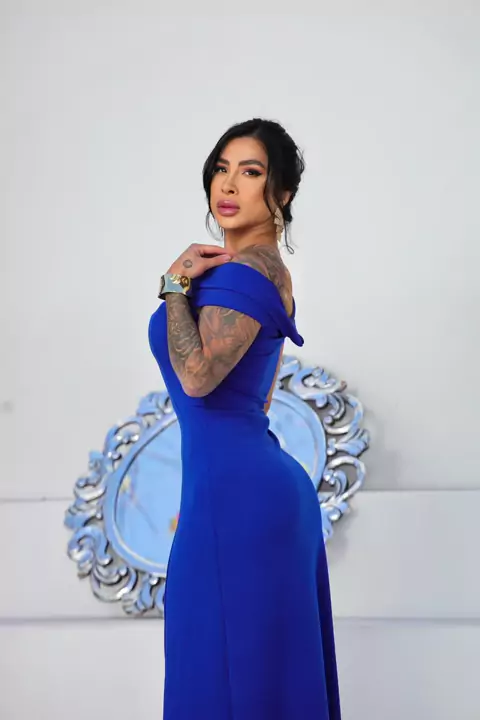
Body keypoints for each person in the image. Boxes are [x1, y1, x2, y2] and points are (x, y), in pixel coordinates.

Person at [148, 118, 341, 720]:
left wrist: (174, 285)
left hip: (239, 499)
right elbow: (255, 398)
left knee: (221, 676)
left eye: (250, 172)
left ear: (281, 193)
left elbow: (197, 377)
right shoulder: (261, 271)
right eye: (221, 169)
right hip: (238, 491)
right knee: (234, 673)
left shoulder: (247, 273)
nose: (228, 185)